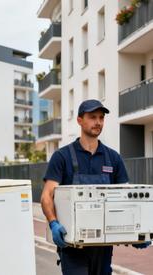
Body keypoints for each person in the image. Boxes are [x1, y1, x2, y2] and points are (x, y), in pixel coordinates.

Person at [42, 99, 149, 275]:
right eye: (92, 117)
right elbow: (47, 196)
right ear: (79, 120)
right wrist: (53, 223)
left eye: (101, 117)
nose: (98, 122)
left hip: (103, 248)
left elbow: (126, 202)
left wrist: (136, 233)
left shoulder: (113, 158)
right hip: (72, 248)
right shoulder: (62, 157)